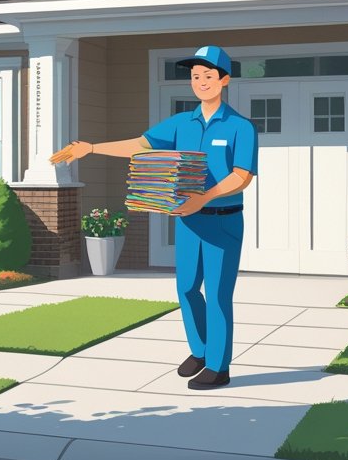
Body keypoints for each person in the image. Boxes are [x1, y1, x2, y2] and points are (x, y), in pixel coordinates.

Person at [50, 45, 258, 390]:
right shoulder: (182, 123)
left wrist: (204, 197)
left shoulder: (240, 127)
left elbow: (242, 175)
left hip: (222, 220)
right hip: (189, 221)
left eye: (208, 76)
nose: (201, 82)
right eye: (195, 76)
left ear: (224, 80)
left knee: (219, 294)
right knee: (187, 288)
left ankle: (220, 366)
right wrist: (91, 148)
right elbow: (140, 145)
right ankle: (201, 351)